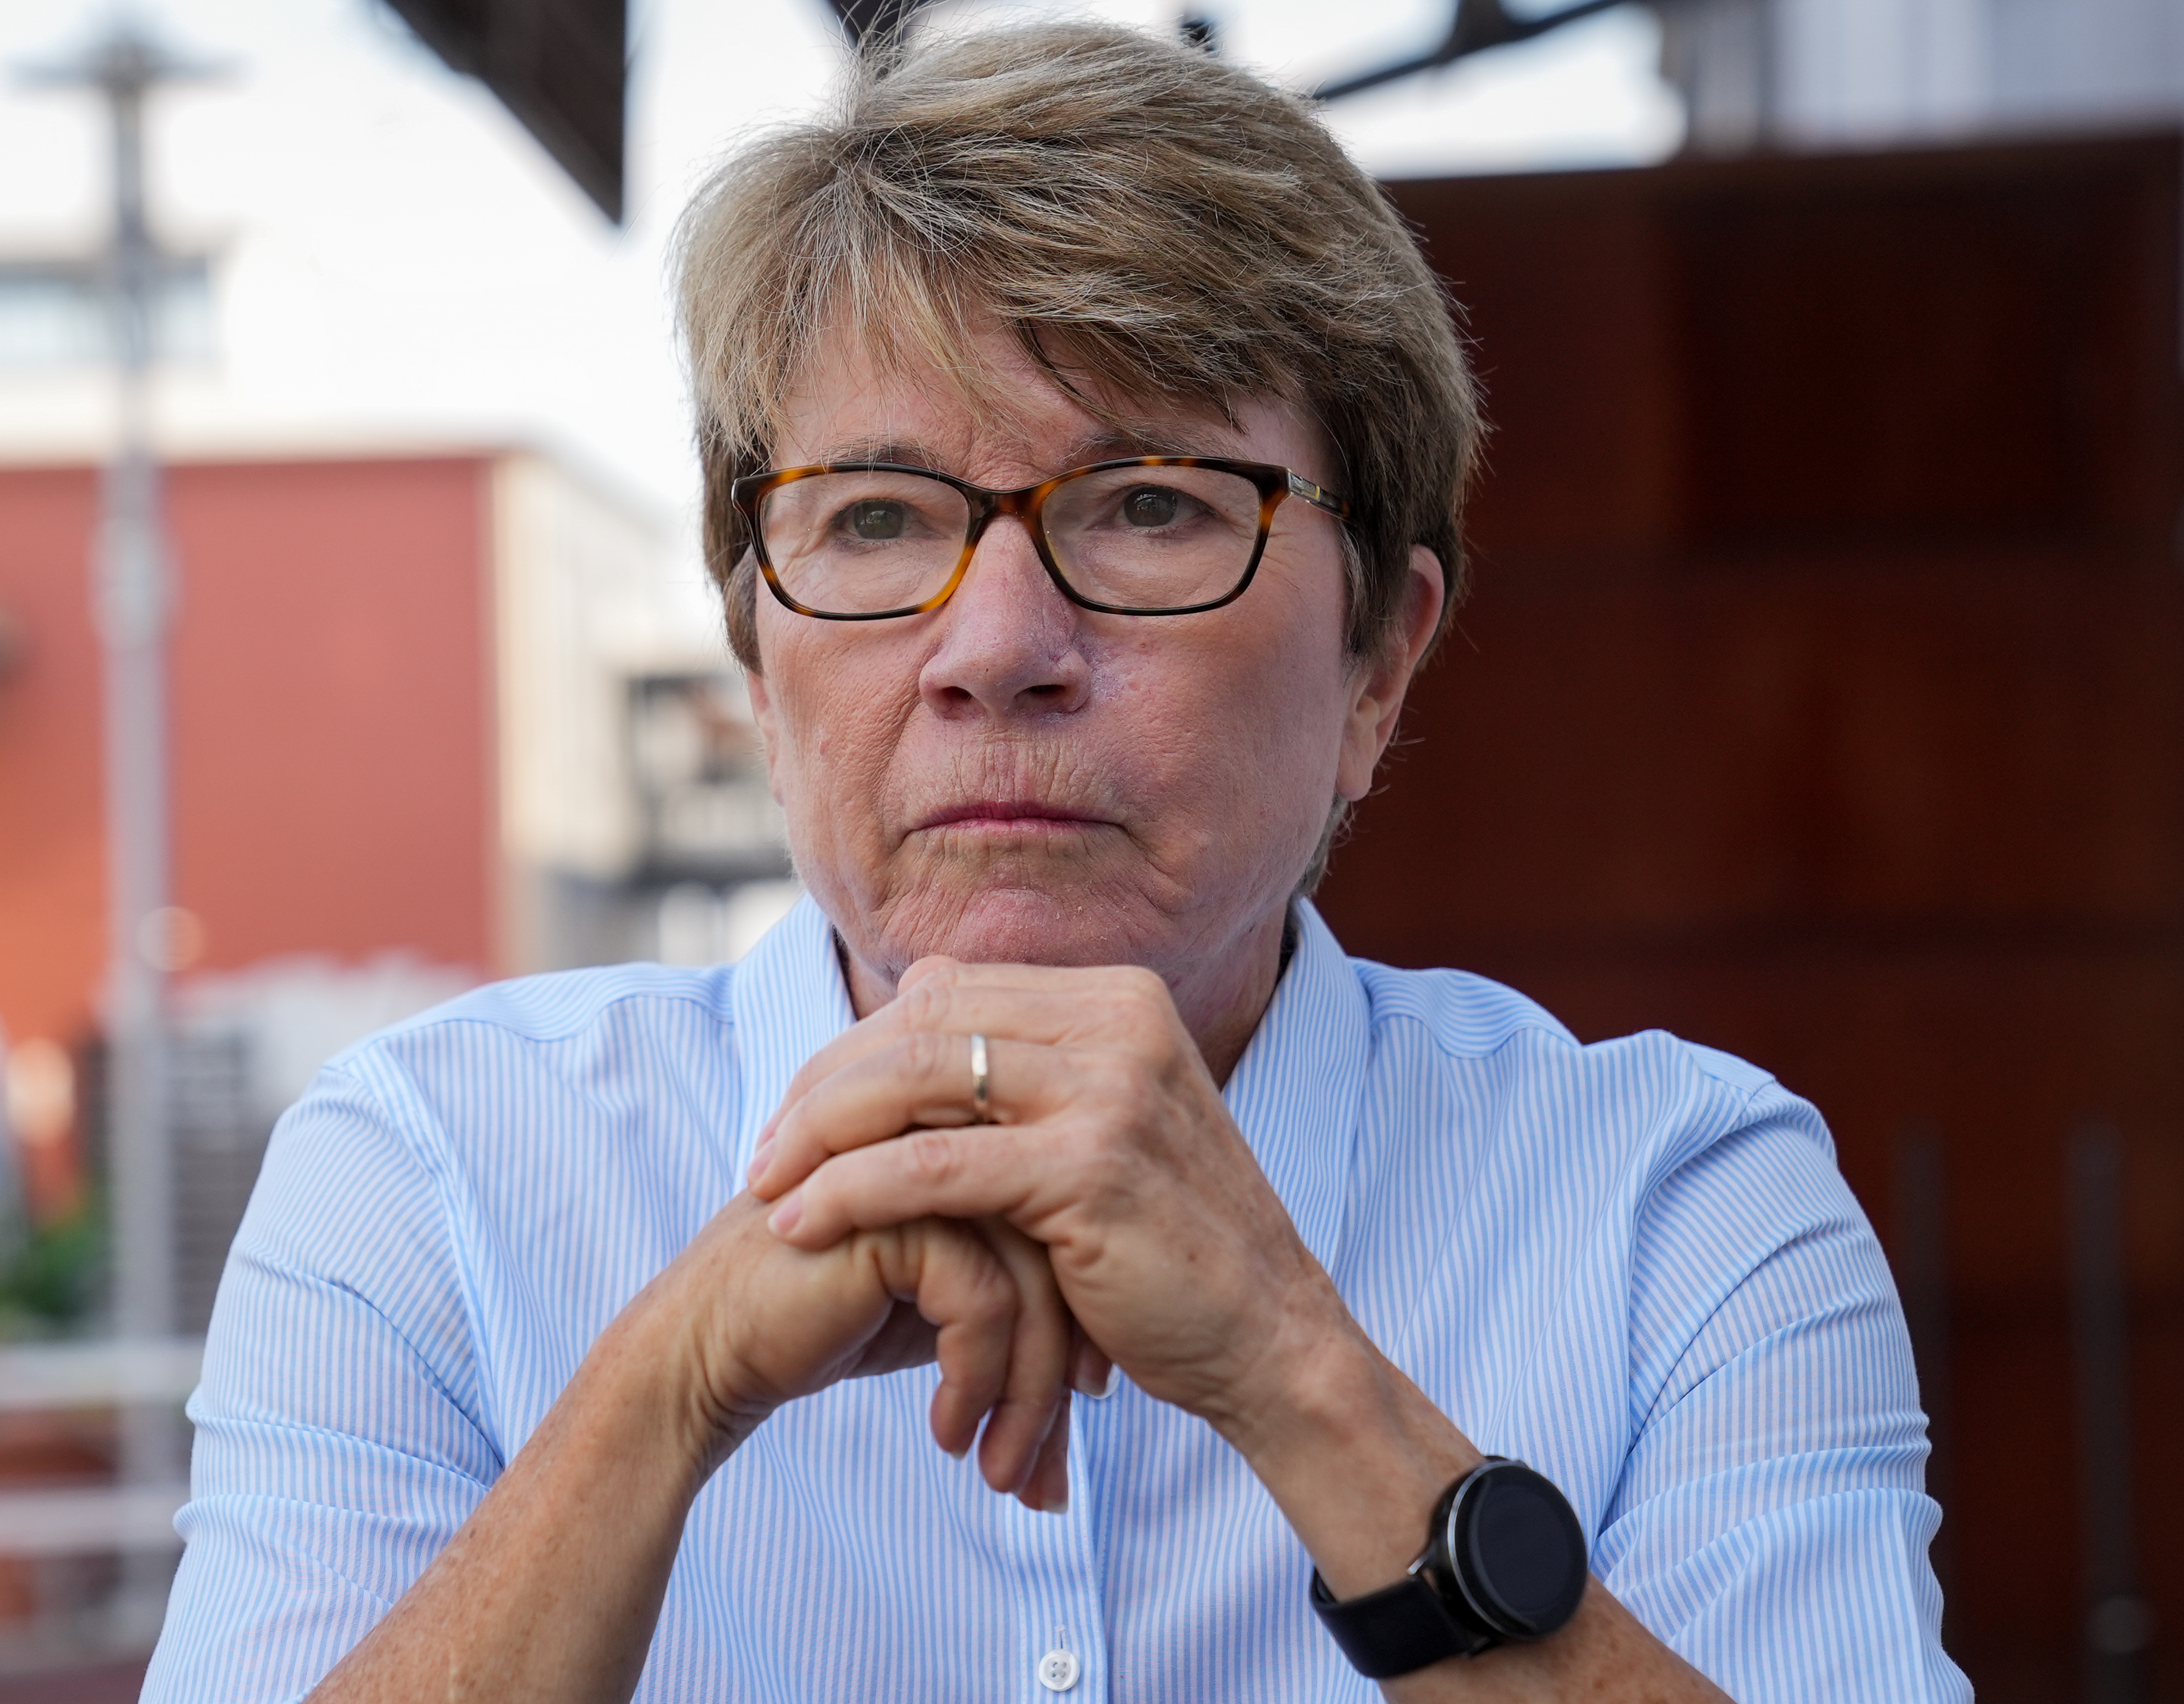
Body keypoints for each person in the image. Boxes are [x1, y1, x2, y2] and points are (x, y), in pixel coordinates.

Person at [142, 22, 1964, 1704]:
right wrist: (667, 1387)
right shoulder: (437, 1176)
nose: (996, 645)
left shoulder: (1673, 1210)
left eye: (1151, 505)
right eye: (874, 518)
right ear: (759, 669)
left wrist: (1299, 1372)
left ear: (1377, 668)